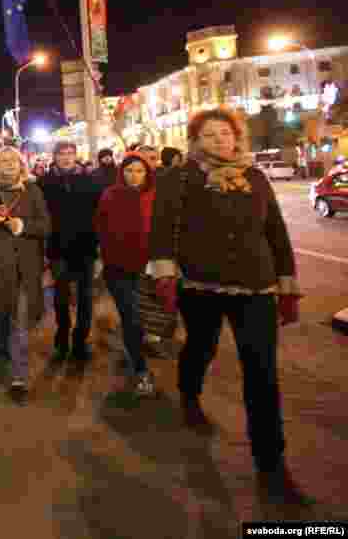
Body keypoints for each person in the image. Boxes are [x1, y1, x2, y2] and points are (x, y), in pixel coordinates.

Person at [149, 107, 307, 504]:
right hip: (200, 286)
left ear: (237, 138)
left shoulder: (254, 177)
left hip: (256, 288)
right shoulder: (179, 176)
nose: (219, 140)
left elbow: (276, 231)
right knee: (201, 345)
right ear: (195, 141)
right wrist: (165, 275)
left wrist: (287, 283)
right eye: (209, 135)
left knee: (262, 374)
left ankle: (271, 465)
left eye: (225, 134)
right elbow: (163, 229)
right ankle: (189, 393)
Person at [0, 147, 51, 404]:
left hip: (26, 267)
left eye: (13, 160)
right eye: (3, 160)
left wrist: (23, 226)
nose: (8, 164)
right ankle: (5, 347)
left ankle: (19, 376)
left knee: (20, 322)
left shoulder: (33, 190)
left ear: (21, 164)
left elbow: (46, 226)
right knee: (0, 317)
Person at [94, 152, 157, 397]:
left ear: (147, 173)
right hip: (117, 269)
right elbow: (100, 226)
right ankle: (141, 370)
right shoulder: (110, 195)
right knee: (131, 316)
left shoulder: (155, 196)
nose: (134, 176)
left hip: (148, 269)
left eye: (140, 171)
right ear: (122, 172)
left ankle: (133, 350)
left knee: (141, 318)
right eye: (130, 170)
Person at [39, 140, 104, 364]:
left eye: (70, 153)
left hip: (85, 247)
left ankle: (80, 340)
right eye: (62, 154)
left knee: (86, 297)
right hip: (58, 248)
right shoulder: (44, 182)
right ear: (54, 156)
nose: (66, 157)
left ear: (76, 155)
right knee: (61, 296)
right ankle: (62, 337)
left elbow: (99, 213)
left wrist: (97, 242)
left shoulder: (90, 180)